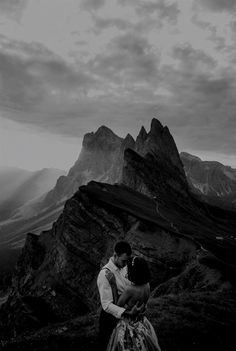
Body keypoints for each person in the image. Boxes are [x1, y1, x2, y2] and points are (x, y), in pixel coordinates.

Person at [106, 256, 162, 351]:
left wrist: (113, 284)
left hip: (129, 325)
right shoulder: (147, 285)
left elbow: (117, 306)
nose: (127, 272)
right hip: (142, 322)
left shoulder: (130, 290)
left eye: (128, 269)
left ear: (133, 272)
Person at [97, 241, 143, 350]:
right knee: (108, 346)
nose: (126, 264)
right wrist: (127, 313)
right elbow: (107, 305)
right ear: (115, 255)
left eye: (127, 261)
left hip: (126, 316)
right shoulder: (105, 274)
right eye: (124, 261)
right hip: (110, 318)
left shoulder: (125, 266)